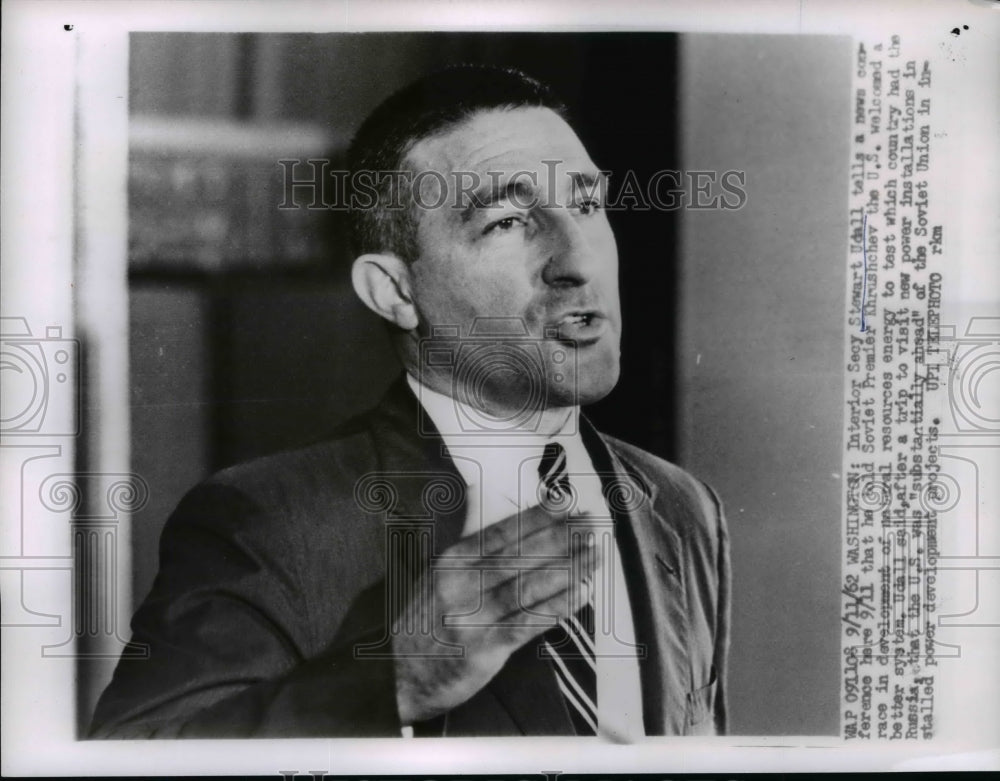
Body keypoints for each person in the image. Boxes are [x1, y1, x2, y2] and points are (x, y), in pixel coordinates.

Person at [90, 64, 730, 739]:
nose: (579, 260)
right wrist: (398, 678)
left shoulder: (683, 508)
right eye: (508, 221)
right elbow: (132, 755)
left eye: (587, 205)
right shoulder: (269, 521)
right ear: (394, 291)